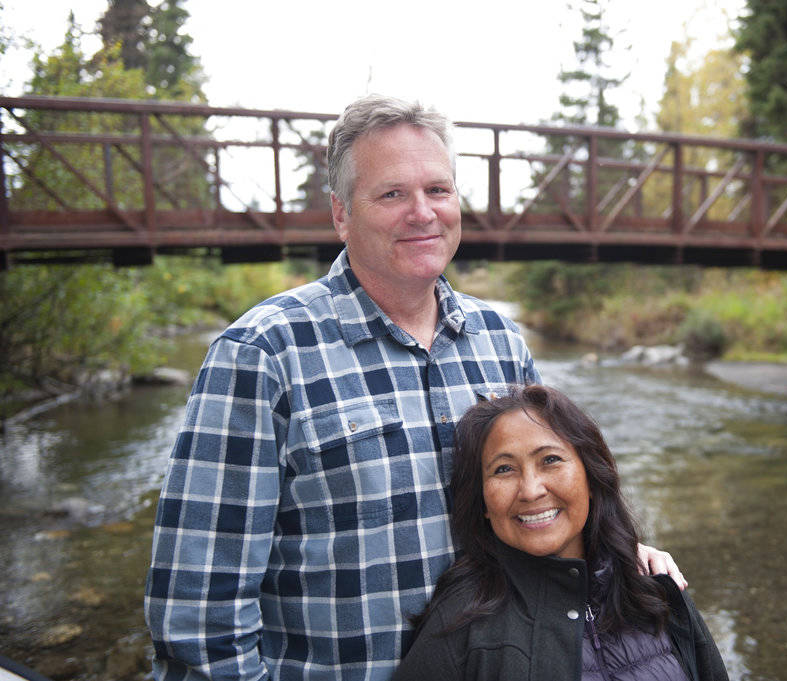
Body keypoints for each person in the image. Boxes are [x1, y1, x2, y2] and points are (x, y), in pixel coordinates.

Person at [144, 94, 684, 681]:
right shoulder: (263, 354)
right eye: (392, 194)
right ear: (341, 214)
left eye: (438, 190)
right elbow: (200, 610)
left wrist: (618, 556)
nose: (423, 213)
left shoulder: (501, 341)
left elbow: (545, 509)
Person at [393, 384, 728, 681]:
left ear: (592, 478)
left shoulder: (654, 586)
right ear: (482, 501)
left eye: (550, 460)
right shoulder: (460, 621)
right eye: (504, 469)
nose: (531, 490)